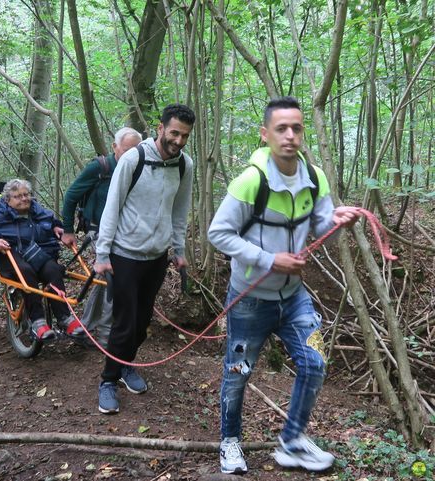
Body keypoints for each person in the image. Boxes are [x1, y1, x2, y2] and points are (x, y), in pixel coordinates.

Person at [207, 96, 360, 474]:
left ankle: (291, 441)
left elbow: (320, 225)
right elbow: (218, 233)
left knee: (316, 361)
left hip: (293, 297)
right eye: (281, 129)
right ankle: (230, 442)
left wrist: (339, 220)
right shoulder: (249, 181)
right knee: (238, 373)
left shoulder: (314, 176)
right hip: (249, 300)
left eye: (297, 128)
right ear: (266, 134)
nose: (290, 136)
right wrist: (269, 259)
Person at [93, 103, 195, 414]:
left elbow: (180, 209)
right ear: (160, 127)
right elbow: (112, 206)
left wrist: (178, 249)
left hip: (156, 257)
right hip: (124, 253)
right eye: (174, 133)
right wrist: (102, 253)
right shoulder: (134, 159)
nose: (178, 140)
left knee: (142, 322)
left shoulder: (184, 165)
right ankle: (108, 380)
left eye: (185, 136)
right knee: (125, 322)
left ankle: (125, 366)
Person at [61, 127, 142, 347]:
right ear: (115, 147)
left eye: (135, 150)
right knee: (112, 278)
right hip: (98, 230)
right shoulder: (101, 168)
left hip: (125, 232)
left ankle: (86, 327)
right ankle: (105, 336)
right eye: (126, 150)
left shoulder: (139, 167)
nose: (130, 155)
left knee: (104, 279)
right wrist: (67, 229)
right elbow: (71, 196)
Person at [0, 179, 84, 341]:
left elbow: (50, 221)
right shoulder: (0, 213)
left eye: (26, 194)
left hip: (37, 254)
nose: (24, 199)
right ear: (8, 199)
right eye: (18, 196)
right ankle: (38, 321)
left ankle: (64, 318)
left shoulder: (36, 210)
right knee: (26, 272)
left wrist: (56, 227)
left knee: (54, 270)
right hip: (11, 255)